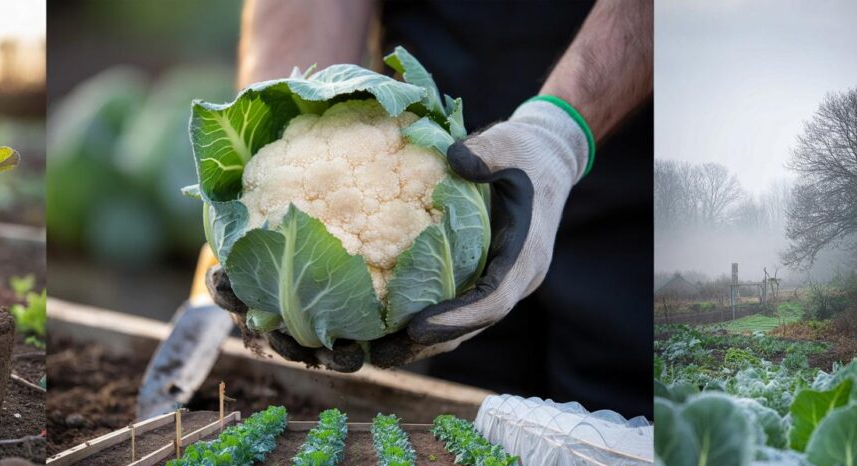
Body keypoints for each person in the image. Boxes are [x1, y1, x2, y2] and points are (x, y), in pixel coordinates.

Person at [214, 0, 653, 418]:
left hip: (637, 206)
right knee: (477, 451)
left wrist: (560, 134)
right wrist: (267, 140)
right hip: (458, 241)